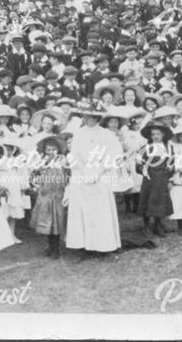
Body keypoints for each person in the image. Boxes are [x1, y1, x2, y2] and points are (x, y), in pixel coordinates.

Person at [64, 103, 123, 257]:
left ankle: (102, 245)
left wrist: (98, 171)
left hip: (100, 175)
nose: (89, 119)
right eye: (87, 116)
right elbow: (74, 155)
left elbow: (113, 154)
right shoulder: (79, 134)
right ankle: (83, 246)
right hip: (81, 175)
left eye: (93, 117)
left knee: (100, 210)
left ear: (98, 117)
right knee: (82, 210)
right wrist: (84, 171)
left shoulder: (106, 134)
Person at [29, 135, 70, 258]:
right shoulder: (42, 161)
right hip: (46, 194)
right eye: (48, 150)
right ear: (44, 151)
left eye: (54, 149)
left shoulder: (63, 160)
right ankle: (50, 245)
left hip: (58, 194)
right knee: (47, 221)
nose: (51, 152)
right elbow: (35, 173)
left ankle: (56, 248)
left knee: (57, 221)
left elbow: (68, 174)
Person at [137, 123, 173, 237]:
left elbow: (172, 162)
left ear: (163, 135)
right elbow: (138, 164)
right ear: (150, 136)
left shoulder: (168, 148)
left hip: (162, 178)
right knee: (147, 199)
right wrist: (142, 168)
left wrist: (170, 169)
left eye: (158, 134)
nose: (156, 136)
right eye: (153, 134)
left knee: (160, 201)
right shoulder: (145, 148)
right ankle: (146, 226)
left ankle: (158, 225)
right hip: (149, 178)